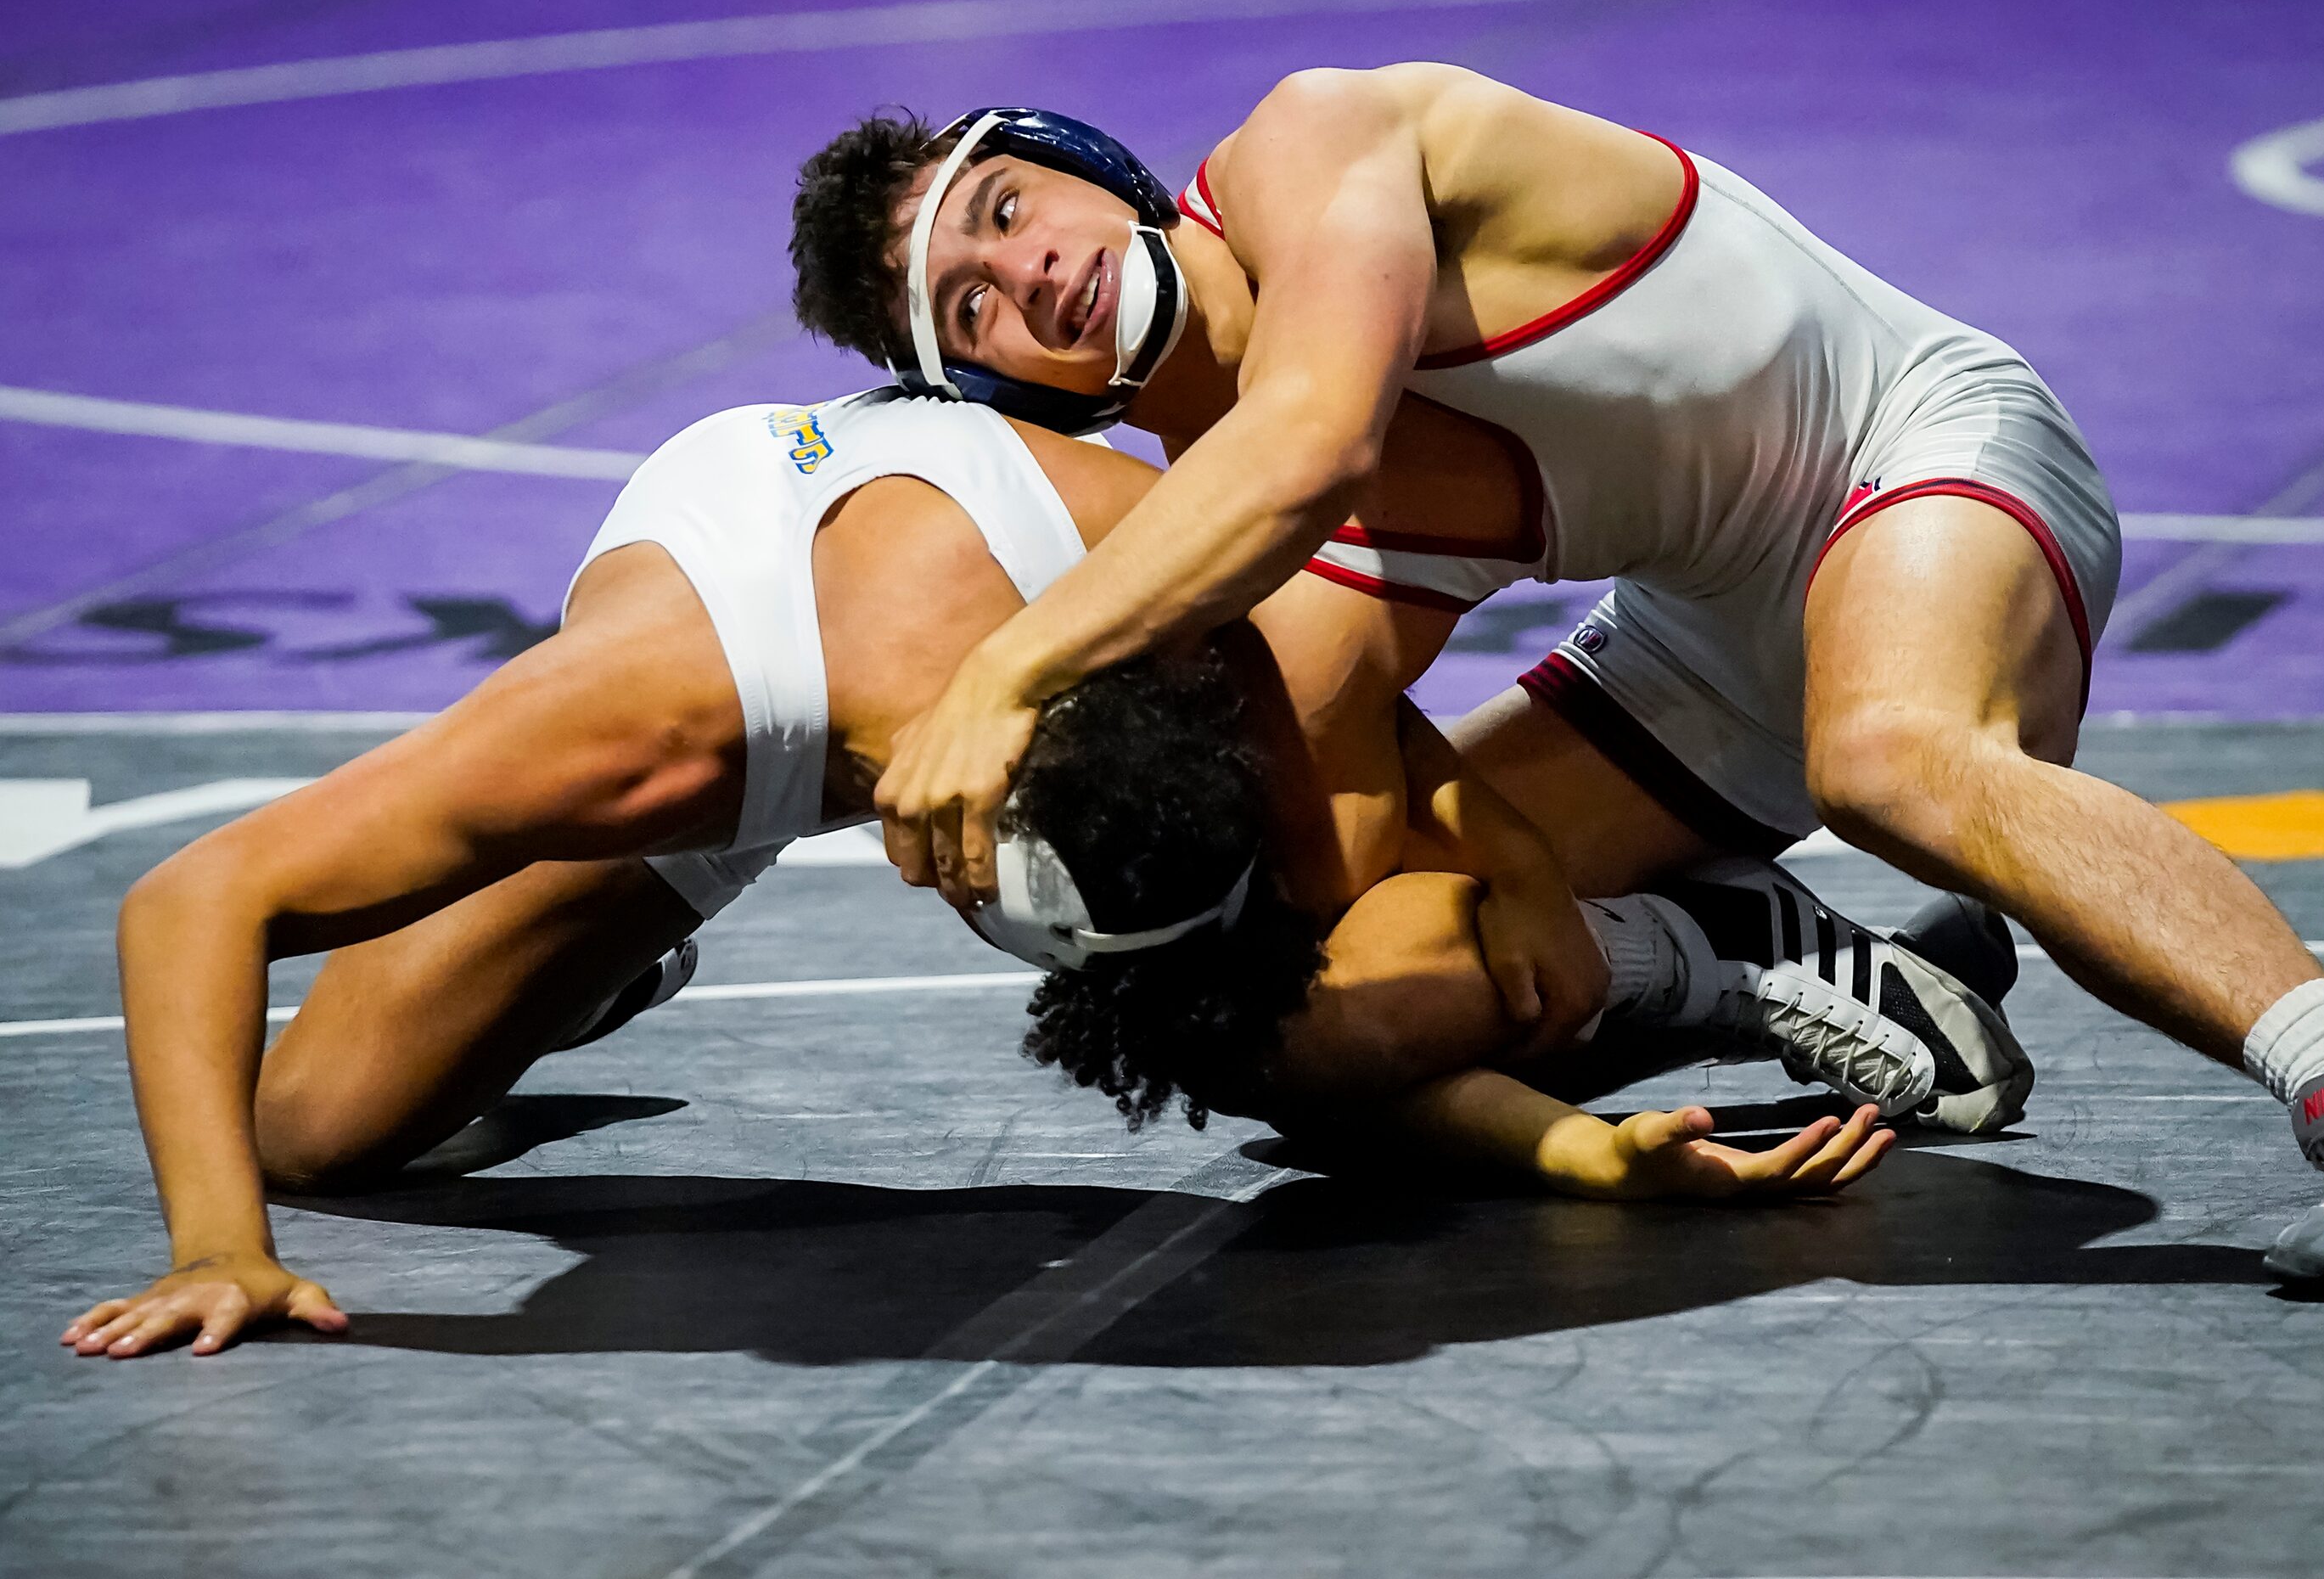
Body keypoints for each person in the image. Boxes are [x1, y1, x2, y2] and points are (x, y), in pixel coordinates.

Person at [789, 76, 2324, 1279]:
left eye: (1005, 212)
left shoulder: (1312, 147)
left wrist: (1006, 670)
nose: (1026, 275)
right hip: (1705, 656)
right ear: (1002, 381)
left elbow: (1318, 440)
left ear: (1081, 165)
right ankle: (1724, 954)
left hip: (1923, 457)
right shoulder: (1222, 479)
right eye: (971, 307)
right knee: (1307, 1024)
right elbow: (1335, 848)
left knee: (1890, 752)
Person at [59, 391, 1896, 1363]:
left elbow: (1247, 1009)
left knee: (1449, 952)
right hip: (768, 649)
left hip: (1029, 637)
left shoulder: (1205, 638)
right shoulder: (648, 739)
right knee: (313, 1131)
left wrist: (1573, 1126)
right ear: (935, 847)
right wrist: (226, 1248)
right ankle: (606, 963)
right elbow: (190, 903)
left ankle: (1687, 947)